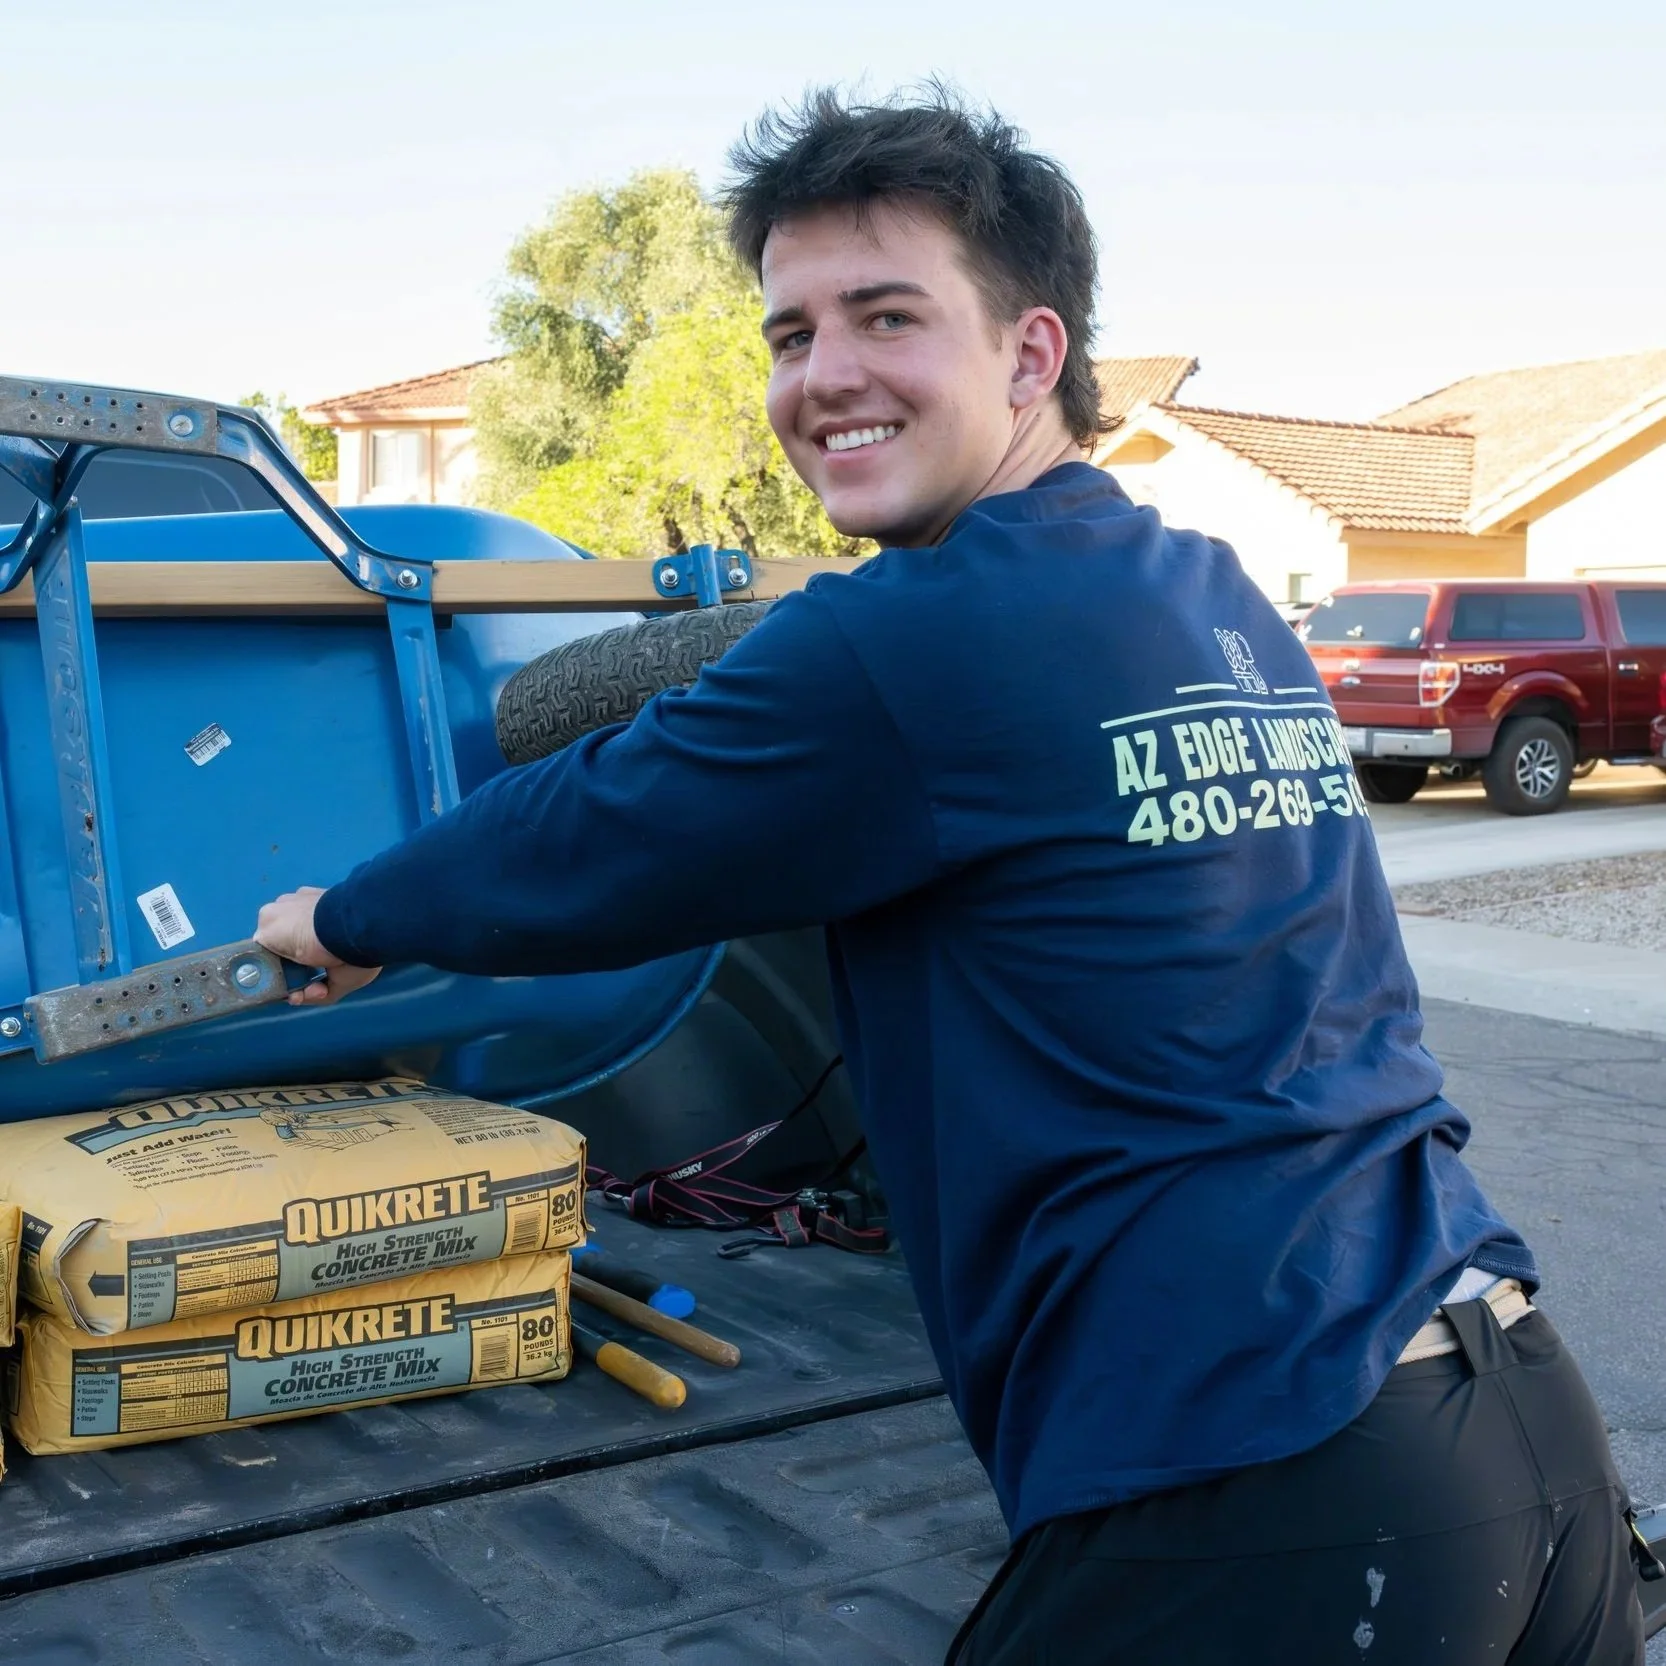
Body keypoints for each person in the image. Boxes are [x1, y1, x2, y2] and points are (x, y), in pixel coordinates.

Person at [255, 88, 1648, 1663]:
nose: (823, 373)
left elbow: (587, 834)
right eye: (789, 333)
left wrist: (345, 917)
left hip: (1274, 1468)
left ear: (1029, 355)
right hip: (1511, 1414)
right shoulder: (1205, 590)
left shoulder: (913, 634)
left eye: (886, 315)